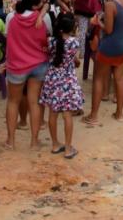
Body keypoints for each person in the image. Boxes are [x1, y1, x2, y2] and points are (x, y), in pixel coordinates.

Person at [4, 0, 50, 149]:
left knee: (13, 102)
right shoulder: (41, 20)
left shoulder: (12, 18)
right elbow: (45, 41)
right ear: (37, 5)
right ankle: (34, 141)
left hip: (17, 66)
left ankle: (11, 140)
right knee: (34, 103)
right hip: (38, 64)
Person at [85, 0, 123, 125]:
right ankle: (119, 113)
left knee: (99, 79)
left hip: (110, 45)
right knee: (120, 79)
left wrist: (99, 21)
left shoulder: (110, 4)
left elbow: (109, 30)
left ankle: (93, 116)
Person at [40, 13, 84, 158]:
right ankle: (68, 148)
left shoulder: (51, 41)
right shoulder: (74, 42)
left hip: (52, 79)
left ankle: (54, 144)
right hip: (67, 80)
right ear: (72, 28)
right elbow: (75, 60)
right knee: (67, 115)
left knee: (52, 113)